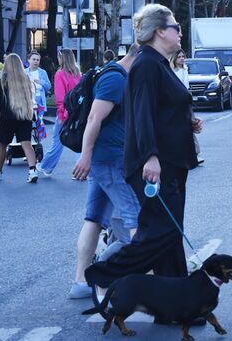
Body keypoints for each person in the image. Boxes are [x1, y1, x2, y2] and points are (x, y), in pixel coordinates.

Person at [85, 4, 202, 299]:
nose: (180, 31)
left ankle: (174, 300)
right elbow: (142, 114)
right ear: (160, 32)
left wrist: (187, 122)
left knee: (169, 234)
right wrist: (150, 156)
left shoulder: (160, 63)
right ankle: (102, 274)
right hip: (156, 164)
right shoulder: (147, 64)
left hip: (172, 162)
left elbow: (162, 110)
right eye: (175, 26)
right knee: (158, 234)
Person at [68, 44, 141, 298]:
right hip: (109, 160)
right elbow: (93, 118)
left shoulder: (118, 76)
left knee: (95, 218)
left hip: (105, 160)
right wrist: (86, 156)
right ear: (138, 58)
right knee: (135, 219)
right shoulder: (115, 79)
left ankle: (80, 282)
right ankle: (142, 284)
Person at [0, 53, 39, 183]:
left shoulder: (3, 81)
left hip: (7, 118)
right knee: (26, 143)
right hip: (24, 116)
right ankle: (32, 171)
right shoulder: (26, 79)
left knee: (2, 145)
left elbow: (0, 105)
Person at [37, 49, 81, 177]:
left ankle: (46, 166)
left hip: (66, 113)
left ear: (63, 58)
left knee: (58, 141)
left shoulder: (60, 74)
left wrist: (61, 114)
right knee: (79, 141)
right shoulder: (78, 73)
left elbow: (60, 97)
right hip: (77, 112)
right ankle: (80, 172)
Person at [170, 49, 204, 166]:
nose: (182, 59)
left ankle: (195, 153)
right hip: (176, 100)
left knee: (190, 125)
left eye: (183, 56)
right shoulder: (172, 70)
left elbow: (186, 86)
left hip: (185, 99)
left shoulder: (185, 69)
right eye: (179, 57)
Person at [25, 50, 51, 141]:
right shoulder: (24, 72)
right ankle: (27, 141)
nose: (36, 61)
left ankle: (39, 142)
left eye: (37, 60)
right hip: (27, 101)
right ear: (28, 60)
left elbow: (48, 86)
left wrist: (41, 82)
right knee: (28, 122)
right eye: (34, 59)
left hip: (39, 100)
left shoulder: (42, 72)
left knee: (39, 121)